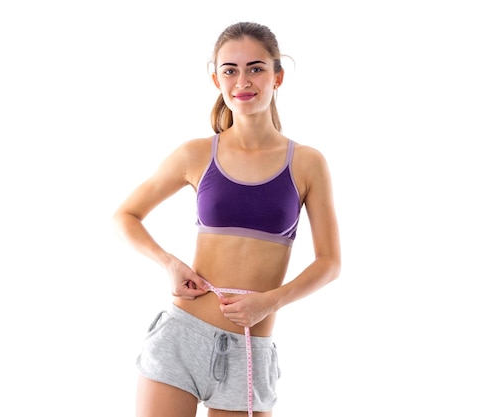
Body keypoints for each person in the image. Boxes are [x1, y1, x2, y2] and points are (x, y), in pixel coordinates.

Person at [113, 21, 341, 417]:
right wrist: (169, 263)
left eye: (255, 68)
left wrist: (270, 302)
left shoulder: (307, 163)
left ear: (277, 76)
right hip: (181, 337)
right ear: (216, 78)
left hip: (249, 350)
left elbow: (330, 263)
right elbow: (125, 215)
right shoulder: (196, 154)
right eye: (230, 70)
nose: (243, 81)